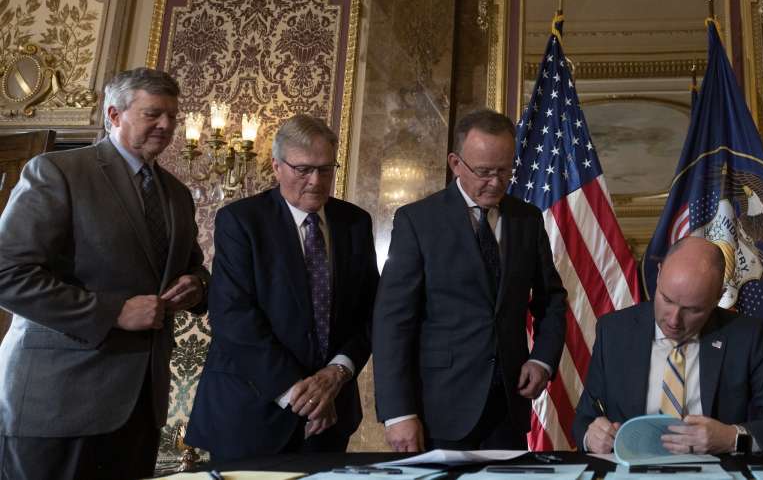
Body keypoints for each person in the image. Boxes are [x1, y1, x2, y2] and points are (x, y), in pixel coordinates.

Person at [0, 67, 208, 480]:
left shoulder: (177, 194)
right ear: (114, 115)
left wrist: (198, 285)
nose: (166, 126)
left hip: (141, 407)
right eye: (153, 114)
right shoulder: (56, 172)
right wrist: (113, 312)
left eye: (172, 116)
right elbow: (7, 274)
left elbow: (191, 267)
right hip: (58, 403)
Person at [185, 115, 378, 461]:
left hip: (330, 416)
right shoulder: (241, 221)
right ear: (276, 166)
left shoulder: (355, 223)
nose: (316, 181)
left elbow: (369, 313)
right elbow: (234, 318)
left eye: (325, 169)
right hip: (249, 413)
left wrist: (337, 373)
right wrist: (299, 396)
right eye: (303, 170)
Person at [373, 108, 568, 451]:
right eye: (483, 172)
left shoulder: (528, 219)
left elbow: (551, 300)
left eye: (504, 171)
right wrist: (397, 413)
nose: (494, 182)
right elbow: (392, 322)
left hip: (508, 406)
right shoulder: (418, 222)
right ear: (455, 163)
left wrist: (542, 360)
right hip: (439, 411)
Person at [574, 236, 763, 455]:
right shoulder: (614, 331)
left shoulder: (743, 337)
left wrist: (732, 438)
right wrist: (591, 436)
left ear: (718, 297)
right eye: (667, 299)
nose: (673, 320)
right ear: (659, 274)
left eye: (692, 310)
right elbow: (585, 418)